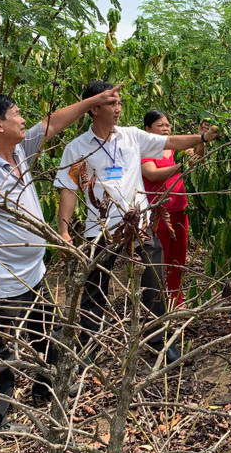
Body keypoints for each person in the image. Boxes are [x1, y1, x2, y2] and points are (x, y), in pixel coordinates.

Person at [0, 87, 120, 435]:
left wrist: (91, 102)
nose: (24, 119)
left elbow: (52, 123)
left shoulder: (19, 152)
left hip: (32, 273)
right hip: (0, 281)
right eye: (16, 114)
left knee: (45, 333)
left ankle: (47, 387)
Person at [54, 81, 218, 364]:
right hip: (101, 229)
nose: (118, 109)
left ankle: (157, 342)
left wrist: (201, 139)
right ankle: (89, 343)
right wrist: (64, 231)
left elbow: (171, 142)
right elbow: (68, 189)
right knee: (95, 287)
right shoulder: (77, 148)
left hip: (140, 225)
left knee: (154, 280)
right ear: (93, 108)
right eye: (111, 104)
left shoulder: (131, 137)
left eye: (119, 103)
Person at [140, 110, 208, 308]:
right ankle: (157, 303)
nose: (165, 129)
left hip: (179, 210)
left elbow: (196, 159)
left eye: (167, 125)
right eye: (160, 125)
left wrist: (201, 139)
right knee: (158, 260)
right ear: (148, 129)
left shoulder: (177, 150)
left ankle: (176, 301)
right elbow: (152, 175)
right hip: (157, 213)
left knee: (178, 259)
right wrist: (182, 165)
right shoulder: (145, 150)